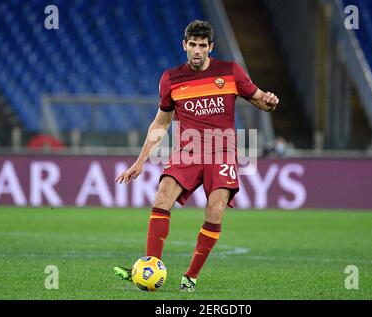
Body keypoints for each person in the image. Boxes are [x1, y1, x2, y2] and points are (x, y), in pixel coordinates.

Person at [114, 20, 279, 292]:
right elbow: (160, 123)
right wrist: (140, 161)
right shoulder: (171, 79)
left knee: (215, 210)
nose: (197, 51)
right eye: (192, 45)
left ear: (210, 47)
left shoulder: (230, 72)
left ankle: (190, 276)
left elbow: (261, 100)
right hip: (188, 151)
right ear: (184, 45)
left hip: (222, 150)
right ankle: (150, 266)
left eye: (203, 46)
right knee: (163, 192)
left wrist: (271, 103)